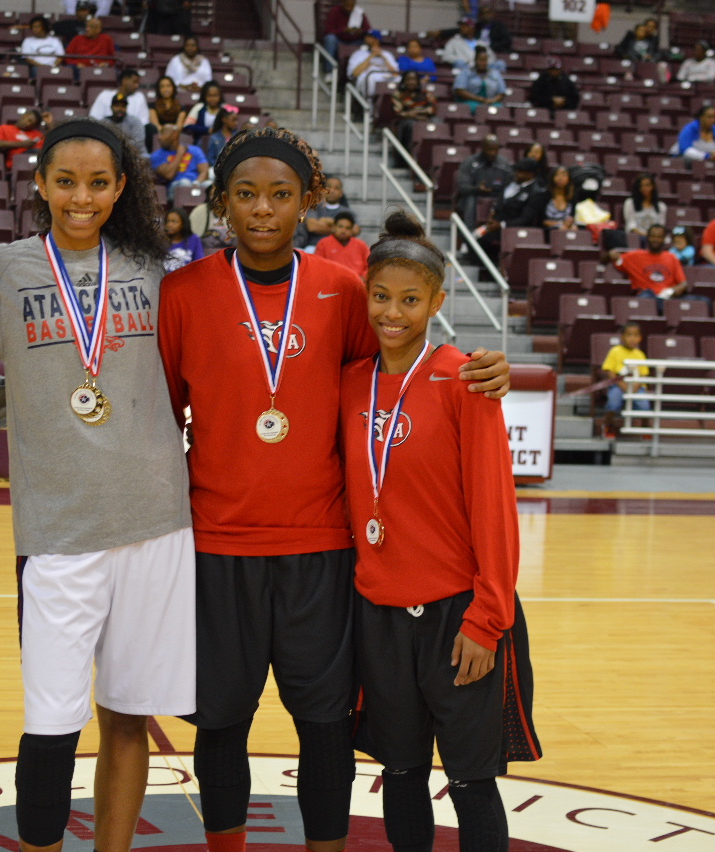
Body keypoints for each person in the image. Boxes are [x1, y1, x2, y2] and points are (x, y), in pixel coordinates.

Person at [156, 127, 510, 852]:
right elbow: (159, 424)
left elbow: (391, 383)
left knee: (323, 726)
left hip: (324, 552)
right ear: (220, 202)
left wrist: (483, 370)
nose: (262, 210)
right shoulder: (183, 293)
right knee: (221, 720)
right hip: (217, 548)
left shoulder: (347, 292)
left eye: (281, 195)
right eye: (246, 195)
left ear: (308, 202)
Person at [0, 116, 194, 852]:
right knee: (51, 724)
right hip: (58, 531)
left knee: (127, 713)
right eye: (65, 181)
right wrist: (36, 414)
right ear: (41, 186)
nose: (80, 197)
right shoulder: (1, 269)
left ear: (121, 188)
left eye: (97, 183)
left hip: (156, 520)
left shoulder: (155, 270)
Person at [341, 210, 538, 852]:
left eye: (409, 300)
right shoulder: (350, 383)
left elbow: (496, 511)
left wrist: (488, 619)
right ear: (364, 293)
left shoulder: (464, 379)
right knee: (399, 772)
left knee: (472, 781)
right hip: (380, 615)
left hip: (460, 618)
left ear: (436, 302)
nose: (392, 312)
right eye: (380, 296)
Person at [478, 157, 545, 264]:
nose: (516, 174)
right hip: (496, 224)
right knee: (475, 235)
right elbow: (499, 202)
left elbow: (525, 219)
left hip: (515, 229)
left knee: (484, 240)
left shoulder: (536, 192)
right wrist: (492, 214)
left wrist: (501, 225)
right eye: (516, 171)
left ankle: (492, 272)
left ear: (530, 174)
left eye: (520, 172)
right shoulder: (511, 182)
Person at [608, 224, 698, 301]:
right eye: (653, 236)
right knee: (647, 296)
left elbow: (683, 284)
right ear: (647, 237)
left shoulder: (672, 257)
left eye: (659, 237)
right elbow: (614, 258)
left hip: (668, 297)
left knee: (702, 301)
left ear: (664, 239)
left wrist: (670, 291)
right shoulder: (634, 256)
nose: (655, 240)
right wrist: (611, 254)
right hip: (647, 297)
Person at [599, 321, 650, 437]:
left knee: (645, 406)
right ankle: (608, 425)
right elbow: (609, 370)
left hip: (637, 387)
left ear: (640, 338)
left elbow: (643, 374)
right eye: (629, 335)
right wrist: (622, 385)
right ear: (622, 337)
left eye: (636, 335)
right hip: (618, 385)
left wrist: (635, 387)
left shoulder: (640, 354)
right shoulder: (615, 351)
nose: (633, 339)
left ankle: (646, 427)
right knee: (613, 402)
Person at [454, 134, 511, 229]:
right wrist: (477, 189)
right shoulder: (470, 162)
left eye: (495, 150)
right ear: (483, 148)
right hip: (475, 195)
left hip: (498, 196)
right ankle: (469, 234)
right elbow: (463, 187)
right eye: (490, 149)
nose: (493, 153)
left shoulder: (504, 163)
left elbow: (510, 185)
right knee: (470, 199)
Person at [152, 124, 211, 201]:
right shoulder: (157, 155)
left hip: (196, 183)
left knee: (210, 185)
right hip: (175, 186)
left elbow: (204, 171)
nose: (159, 137)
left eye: (163, 133)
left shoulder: (195, 150)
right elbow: (169, 175)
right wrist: (179, 154)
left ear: (174, 135)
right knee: (185, 183)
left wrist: (197, 183)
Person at [297, 175, 355, 252]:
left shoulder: (347, 211)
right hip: (314, 246)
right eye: (329, 187)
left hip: (338, 247)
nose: (332, 190)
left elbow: (354, 230)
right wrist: (339, 227)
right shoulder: (313, 207)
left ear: (341, 193)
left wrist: (325, 221)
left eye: (336, 188)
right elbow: (312, 227)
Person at [390, 70, 436, 157]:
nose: (411, 82)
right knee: (411, 124)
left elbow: (432, 109)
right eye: (408, 79)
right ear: (404, 81)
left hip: (425, 118)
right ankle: (409, 155)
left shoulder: (426, 94)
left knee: (437, 123)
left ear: (418, 81)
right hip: (405, 122)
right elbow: (398, 112)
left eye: (414, 79)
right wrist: (413, 116)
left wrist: (416, 113)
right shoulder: (398, 95)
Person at [315, 211, 370, 277]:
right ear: (334, 227)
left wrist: (363, 278)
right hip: (331, 282)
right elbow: (318, 266)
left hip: (357, 283)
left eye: (347, 228)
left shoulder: (361, 245)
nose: (343, 231)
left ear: (352, 230)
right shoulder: (323, 243)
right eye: (340, 227)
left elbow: (370, 266)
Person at [347, 30, 399, 99]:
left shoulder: (387, 54)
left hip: (386, 79)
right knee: (371, 78)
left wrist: (384, 58)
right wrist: (371, 56)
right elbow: (354, 74)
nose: (366, 38)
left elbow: (396, 74)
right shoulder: (358, 54)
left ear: (376, 40)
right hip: (368, 79)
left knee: (399, 80)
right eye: (366, 36)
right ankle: (370, 105)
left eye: (370, 37)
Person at [453, 47, 505, 113]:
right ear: (475, 60)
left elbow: (502, 93)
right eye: (480, 60)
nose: (483, 63)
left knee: (499, 109)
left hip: (490, 102)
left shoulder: (495, 73)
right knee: (471, 108)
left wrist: (492, 100)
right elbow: (459, 90)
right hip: (472, 101)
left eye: (485, 60)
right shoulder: (466, 72)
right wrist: (478, 99)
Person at [622, 173, 667, 243]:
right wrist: (646, 235)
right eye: (641, 186)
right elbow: (631, 225)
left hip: (655, 239)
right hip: (636, 238)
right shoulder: (630, 203)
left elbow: (661, 226)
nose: (644, 188)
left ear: (653, 186)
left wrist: (653, 237)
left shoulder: (661, 206)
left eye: (647, 185)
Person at [542, 166, 577, 232]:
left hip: (566, 227)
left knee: (574, 229)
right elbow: (541, 220)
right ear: (552, 178)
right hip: (548, 229)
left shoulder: (572, 196)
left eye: (563, 175)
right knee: (562, 229)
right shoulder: (544, 195)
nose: (560, 178)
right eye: (557, 175)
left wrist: (569, 222)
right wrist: (560, 224)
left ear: (569, 179)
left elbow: (572, 216)